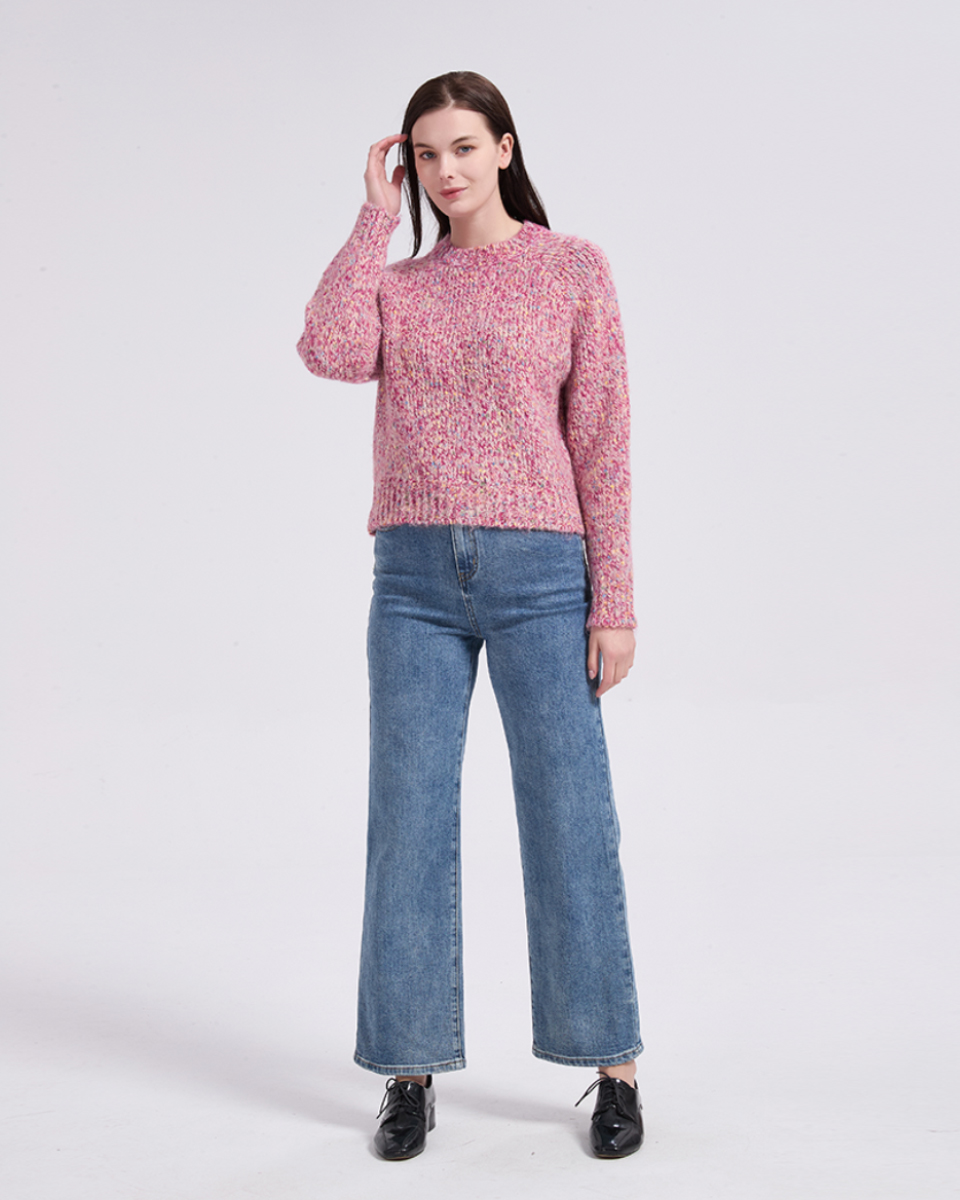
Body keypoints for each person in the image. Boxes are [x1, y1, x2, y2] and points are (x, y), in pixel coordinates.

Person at [297, 71, 643, 1161]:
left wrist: (615, 601)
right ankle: (408, 1070)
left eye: (461, 147)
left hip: (543, 575)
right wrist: (371, 219)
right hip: (411, 580)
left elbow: (602, 437)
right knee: (407, 819)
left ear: (504, 147)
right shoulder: (400, 287)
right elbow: (329, 350)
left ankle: (613, 1064)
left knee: (569, 814)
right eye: (424, 154)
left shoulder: (571, 268)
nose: (444, 170)